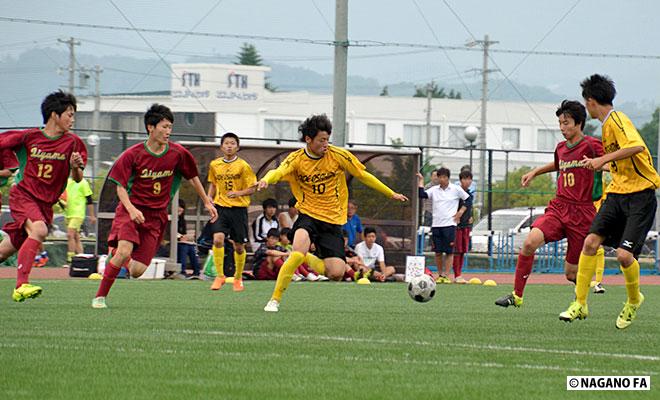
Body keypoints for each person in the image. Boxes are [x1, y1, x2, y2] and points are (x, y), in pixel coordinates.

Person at [255, 114, 408, 312]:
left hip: (333, 221)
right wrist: (267, 179)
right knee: (296, 253)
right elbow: (278, 172)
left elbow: (363, 175)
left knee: (336, 273)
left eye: (328, 139)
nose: (326, 144)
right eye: (321, 140)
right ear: (308, 140)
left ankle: (306, 257)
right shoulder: (297, 159)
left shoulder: (338, 155)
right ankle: (274, 300)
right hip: (308, 216)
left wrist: (390, 193)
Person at [559, 75, 660, 329]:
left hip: (641, 196)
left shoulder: (617, 119)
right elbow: (622, 162)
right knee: (590, 242)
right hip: (617, 194)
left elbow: (636, 146)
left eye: (586, 101)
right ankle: (580, 303)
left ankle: (634, 300)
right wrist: (599, 165)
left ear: (591, 102)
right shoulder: (606, 126)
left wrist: (601, 160)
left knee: (625, 256)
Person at [92, 104, 217, 308]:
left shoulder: (177, 153)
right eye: (164, 126)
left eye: (170, 127)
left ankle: (115, 256)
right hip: (130, 210)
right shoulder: (132, 154)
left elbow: (193, 176)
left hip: (156, 216)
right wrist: (131, 210)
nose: (168, 131)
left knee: (137, 271)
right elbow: (120, 188)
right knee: (124, 250)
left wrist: (206, 201)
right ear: (151, 127)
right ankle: (100, 297)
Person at [495, 100, 604, 308]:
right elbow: (559, 164)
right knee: (529, 242)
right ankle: (517, 295)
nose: (562, 128)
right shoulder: (561, 148)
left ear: (579, 123)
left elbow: (610, 161)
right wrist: (535, 172)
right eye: (560, 123)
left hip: (582, 212)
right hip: (559, 207)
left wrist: (604, 167)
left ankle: (582, 299)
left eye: (567, 123)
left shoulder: (592, 145)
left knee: (571, 273)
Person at [0, 90, 87, 302]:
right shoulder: (29, 137)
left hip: (45, 205)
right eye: (69, 114)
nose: (72, 119)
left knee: (5, 251)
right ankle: (21, 286)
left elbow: (77, 178)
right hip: (24, 195)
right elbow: (2, 143)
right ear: (54, 115)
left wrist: (76, 167)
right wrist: (9, 167)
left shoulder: (74, 143)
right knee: (39, 230)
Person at [207, 132, 256, 291]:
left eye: (232, 143)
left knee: (239, 246)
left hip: (238, 209)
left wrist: (239, 193)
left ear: (237, 147)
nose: (229, 146)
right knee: (218, 239)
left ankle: (238, 278)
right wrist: (209, 199)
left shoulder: (243, 166)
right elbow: (213, 184)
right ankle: (220, 276)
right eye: (226, 143)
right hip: (221, 208)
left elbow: (253, 187)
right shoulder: (215, 165)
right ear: (221, 146)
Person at [417, 168, 468, 284]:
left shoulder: (455, 189)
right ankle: (440, 274)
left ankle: (446, 275)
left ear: (448, 178)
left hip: (450, 225)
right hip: (436, 225)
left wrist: (460, 212)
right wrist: (421, 181)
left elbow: (468, 200)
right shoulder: (434, 190)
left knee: (449, 252)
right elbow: (422, 195)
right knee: (438, 252)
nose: (442, 179)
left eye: (444, 177)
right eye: (440, 177)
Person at [62, 176, 96, 263]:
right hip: (68, 213)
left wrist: (92, 215)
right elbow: (62, 196)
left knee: (70, 235)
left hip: (78, 213)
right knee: (76, 237)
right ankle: (82, 258)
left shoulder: (84, 183)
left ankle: (70, 259)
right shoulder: (67, 181)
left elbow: (89, 200)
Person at [452, 169, 474, 283]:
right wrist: (458, 215)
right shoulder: (457, 193)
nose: (468, 181)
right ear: (460, 180)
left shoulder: (469, 194)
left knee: (463, 251)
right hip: (457, 227)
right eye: (465, 179)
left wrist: (470, 216)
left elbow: (470, 206)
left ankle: (459, 274)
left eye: (469, 179)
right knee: (457, 251)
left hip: (466, 226)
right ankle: (456, 274)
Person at [176, 199, 201, 278]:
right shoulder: (169, 218)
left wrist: (186, 237)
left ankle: (196, 272)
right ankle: (182, 271)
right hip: (170, 242)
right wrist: (180, 237)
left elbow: (184, 234)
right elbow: (168, 234)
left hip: (180, 242)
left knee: (191, 247)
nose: (180, 209)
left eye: (182, 207)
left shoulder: (182, 220)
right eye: (178, 207)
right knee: (184, 247)